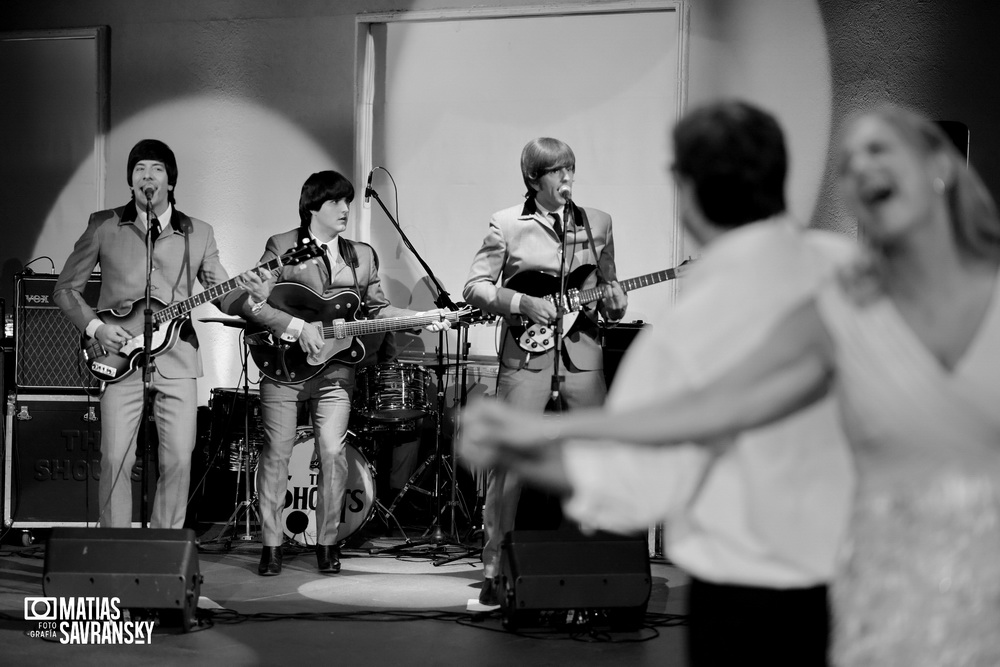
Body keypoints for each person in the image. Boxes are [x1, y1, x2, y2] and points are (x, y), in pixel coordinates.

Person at [462, 104, 1000, 665]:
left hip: (747, 601)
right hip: (898, 587)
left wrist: (528, 441)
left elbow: (653, 467)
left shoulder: (689, 327)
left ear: (685, 191)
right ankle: (501, 568)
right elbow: (750, 399)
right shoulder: (847, 272)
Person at [225, 170, 450, 576]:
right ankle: (272, 546)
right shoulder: (282, 246)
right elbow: (250, 300)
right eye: (336, 202)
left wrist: (420, 317)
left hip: (337, 371)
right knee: (276, 453)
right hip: (283, 366)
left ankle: (327, 543)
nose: (346, 208)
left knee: (332, 453)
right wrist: (295, 327)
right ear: (313, 206)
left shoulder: (361, 255)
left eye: (348, 201)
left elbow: (377, 311)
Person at [462, 137, 627, 606]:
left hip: (582, 354)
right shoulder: (508, 224)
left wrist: (616, 303)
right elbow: (474, 286)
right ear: (534, 179)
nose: (567, 178)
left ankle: (585, 570)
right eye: (557, 171)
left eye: (571, 168)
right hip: (527, 355)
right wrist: (520, 302)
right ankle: (495, 572)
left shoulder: (598, 223)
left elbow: (609, 288)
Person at [54, 138, 244, 529]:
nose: (147, 176)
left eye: (156, 169)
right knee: (114, 458)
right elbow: (65, 289)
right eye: (139, 169)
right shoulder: (104, 225)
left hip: (177, 361)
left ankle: (165, 547)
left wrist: (251, 294)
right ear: (131, 182)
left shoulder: (199, 233)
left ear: (170, 182)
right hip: (119, 360)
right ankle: (114, 548)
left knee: (177, 459)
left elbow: (223, 295)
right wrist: (97, 327)